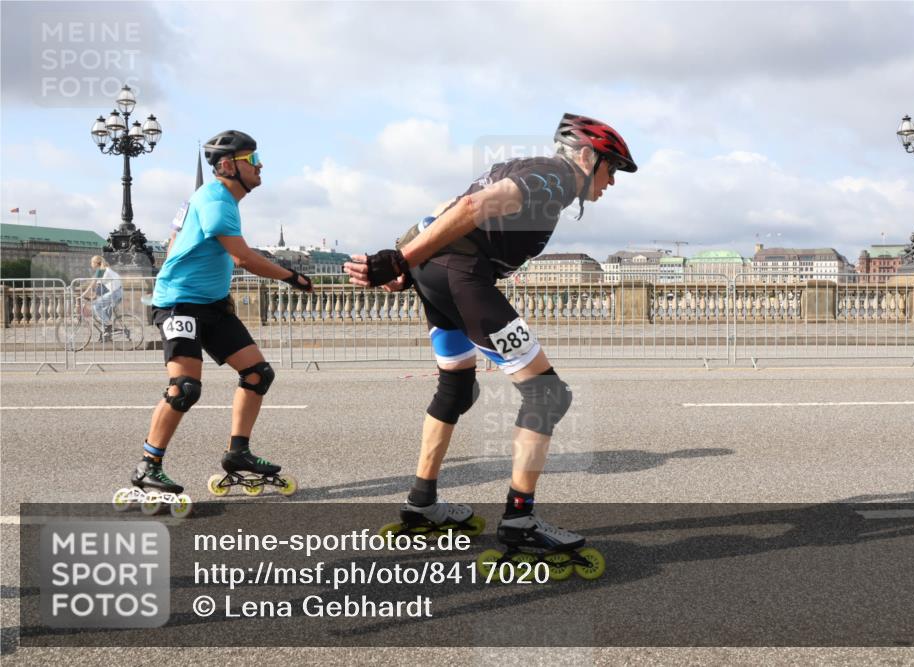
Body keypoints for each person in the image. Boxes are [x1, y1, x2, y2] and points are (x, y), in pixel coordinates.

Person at [345, 113, 637, 562]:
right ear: (585, 156)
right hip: (464, 275)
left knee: (457, 387)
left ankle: (422, 504)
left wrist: (404, 257)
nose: (611, 181)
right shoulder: (557, 177)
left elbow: (445, 206)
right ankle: (520, 522)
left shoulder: (521, 165)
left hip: (438, 274)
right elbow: (470, 209)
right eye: (611, 167)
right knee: (547, 395)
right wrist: (399, 260)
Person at [129, 129, 313, 503]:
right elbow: (243, 257)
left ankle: (238, 453)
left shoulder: (216, 199)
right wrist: (292, 276)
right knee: (184, 389)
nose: (261, 167)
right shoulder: (216, 199)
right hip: (180, 304)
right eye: (253, 161)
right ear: (228, 165)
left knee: (258, 374)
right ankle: (148, 465)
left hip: (211, 304)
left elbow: (176, 240)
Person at [82, 256, 123, 341]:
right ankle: (106, 336)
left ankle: (108, 326)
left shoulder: (101, 270)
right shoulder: (105, 269)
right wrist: (93, 296)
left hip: (114, 293)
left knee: (97, 306)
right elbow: (100, 286)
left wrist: (83, 294)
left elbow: (93, 284)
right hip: (117, 292)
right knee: (104, 312)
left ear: (96, 263)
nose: (91, 264)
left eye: (92, 262)